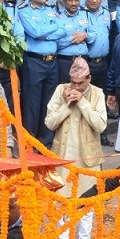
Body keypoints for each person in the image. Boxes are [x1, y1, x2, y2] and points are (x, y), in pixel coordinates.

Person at [44, 57, 107, 197]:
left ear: (89, 78)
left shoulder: (98, 93)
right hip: (63, 158)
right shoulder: (61, 89)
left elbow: (101, 126)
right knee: (62, 203)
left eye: (80, 83)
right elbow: (49, 123)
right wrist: (66, 105)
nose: (76, 87)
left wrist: (82, 103)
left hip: (88, 160)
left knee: (87, 204)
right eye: (73, 82)